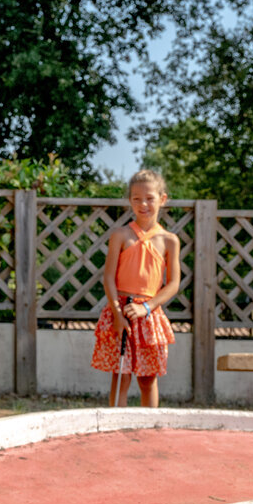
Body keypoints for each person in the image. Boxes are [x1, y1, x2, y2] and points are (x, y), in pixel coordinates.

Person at [91, 170, 181, 407]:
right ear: (130, 200)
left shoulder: (170, 240)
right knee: (121, 375)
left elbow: (173, 284)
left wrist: (147, 308)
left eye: (150, 198)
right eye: (137, 199)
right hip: (121, 312)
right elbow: (108, 278)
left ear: (162, 199)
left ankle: (149, 426)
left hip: (149, 315)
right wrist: (117, 314)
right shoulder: (120, 235)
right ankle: (116, 426)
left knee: (147, 379)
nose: (143, 204)